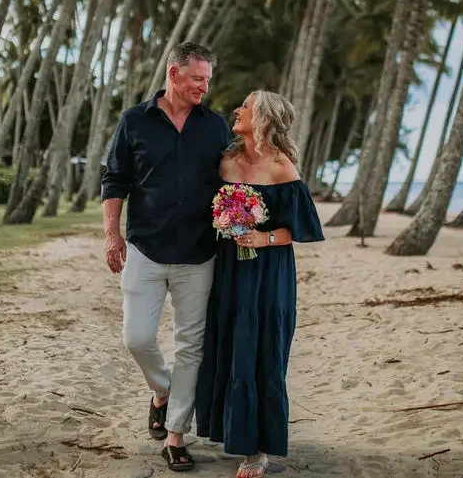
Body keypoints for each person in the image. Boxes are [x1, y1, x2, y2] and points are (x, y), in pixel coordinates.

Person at [101, 42, 233, 472]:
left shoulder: (214, 127)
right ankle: (162, 392)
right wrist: (111, 236)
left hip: (200, 252)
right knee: (136, 337)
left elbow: (234, 177)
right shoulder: (134, 121)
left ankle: (175, 435)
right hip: (145, 247)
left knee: (190, 345)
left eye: (208, 80)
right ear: (174, 74)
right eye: (198, 78)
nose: (204, 87)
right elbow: (115, 179)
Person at [195, 90, 325, 478]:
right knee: (230, 345)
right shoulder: (226, 161)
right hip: (229, 270)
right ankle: (232, 434)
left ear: (263, 119)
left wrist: (262, 238)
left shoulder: (283, 167)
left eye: (246, 107)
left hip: (270, 276)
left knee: (263, 351)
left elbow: (301, 229)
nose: (237, 110)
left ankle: (258, 451)